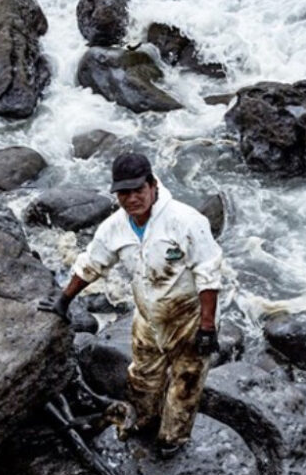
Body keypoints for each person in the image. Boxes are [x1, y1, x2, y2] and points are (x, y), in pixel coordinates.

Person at [39, 152, 223, 457]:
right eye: (124, 193)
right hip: (148, 318)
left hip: (188, 318)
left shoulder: (186, 221)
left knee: (185, 383)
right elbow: (91, 263)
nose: (132, 198)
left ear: (152, 185)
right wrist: (63, 300)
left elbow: (208, 273)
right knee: (142, 376)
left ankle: (172, 439)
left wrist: (206, 327)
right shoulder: (115, 227)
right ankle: (144, 418)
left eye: (138, 190)